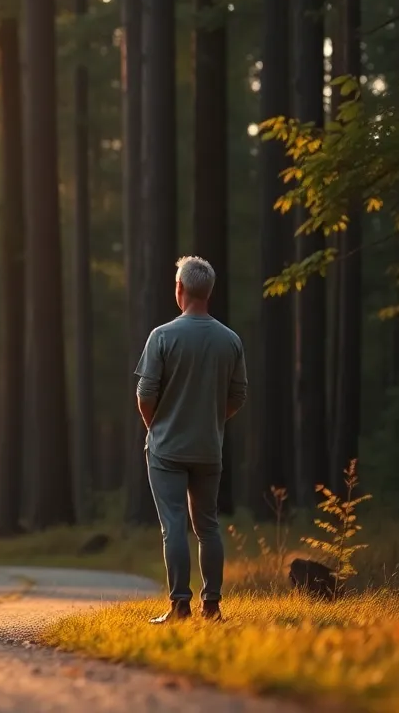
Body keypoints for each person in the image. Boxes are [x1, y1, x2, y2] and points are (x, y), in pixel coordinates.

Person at [134, 256, 247, 623]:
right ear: (209, 291)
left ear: (180, 289)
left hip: (166, 448)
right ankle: (212, 606)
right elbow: (238, 395)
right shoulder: (230, 340)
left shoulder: (162, 336)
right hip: (208, 448)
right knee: (208, 526)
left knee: (174, 527)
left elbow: (145, 393)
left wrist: (158, 426)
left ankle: (180, 606)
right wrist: (211, 420)